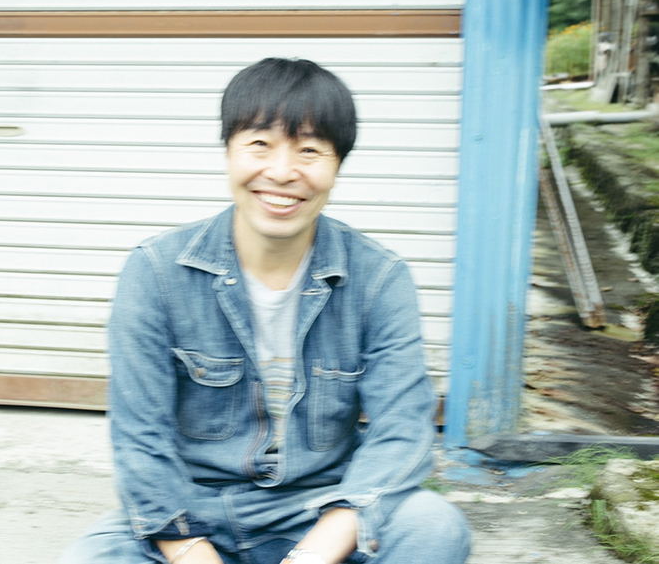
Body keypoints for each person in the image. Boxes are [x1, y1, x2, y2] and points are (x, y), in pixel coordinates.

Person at [60, 58, 471, 564]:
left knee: (432, 527)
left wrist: (315, 552)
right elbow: (139, 440)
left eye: (309, 150)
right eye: (259, 144)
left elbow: (402, 431)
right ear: (228, 151)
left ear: (337, 165)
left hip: (322, 507)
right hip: (196, 512)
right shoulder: (156, 272)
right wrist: (190, 551)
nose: (281, 172)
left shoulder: (379, 278)